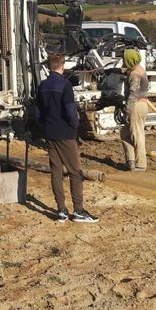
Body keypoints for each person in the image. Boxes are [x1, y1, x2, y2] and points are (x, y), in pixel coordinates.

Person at [36, 52, 98, 223]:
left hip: (50, 133)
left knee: (56, 172)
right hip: (65, 134)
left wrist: (42, 126)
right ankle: (78, 210)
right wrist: (75, 126)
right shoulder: (65, 85)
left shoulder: (42, 85)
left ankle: (61, 210)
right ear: (63, 66)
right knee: (75, 172)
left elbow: (38, 111)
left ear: (49, 66)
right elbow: (70, 111)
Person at [120, 48, 149, 171]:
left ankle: (141, 165)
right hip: (140, 104)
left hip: (136, 106)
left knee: (137, 135)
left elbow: (133, 93)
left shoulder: (135, 74)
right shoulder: (139, 70)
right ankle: (130, 161)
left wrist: (127, 110)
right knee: (125, 134)